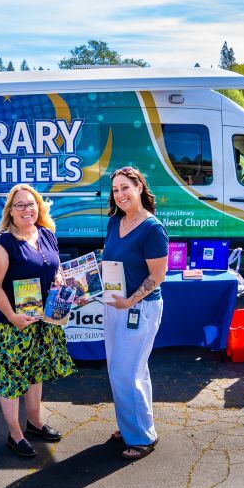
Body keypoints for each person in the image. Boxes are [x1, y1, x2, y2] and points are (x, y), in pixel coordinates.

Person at [0, 183, 76, 459]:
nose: (26, 209)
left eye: (31, 203)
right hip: (15, 325)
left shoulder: (47, 234)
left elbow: (54, 268)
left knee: (35, 374)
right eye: (20, 205)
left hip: (43, 321)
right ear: (10, 211)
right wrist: (12, 316)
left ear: (39, 207)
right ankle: (15, 434)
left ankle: (34, 423)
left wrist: (59, 278)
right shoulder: (3, 243)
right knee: (12, 380)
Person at [102, 166, 168, 460]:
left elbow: (158, 275)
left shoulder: (152, 228)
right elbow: (110, 264)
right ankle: (130, 425)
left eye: (125, 187)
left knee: (125, 372)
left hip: (140, 309)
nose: (119, 194)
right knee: (129, 372)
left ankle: (142, 437)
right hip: (114, 307)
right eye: (115, 190)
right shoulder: (114, 222)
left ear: (139, 187)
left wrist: (131, 300)